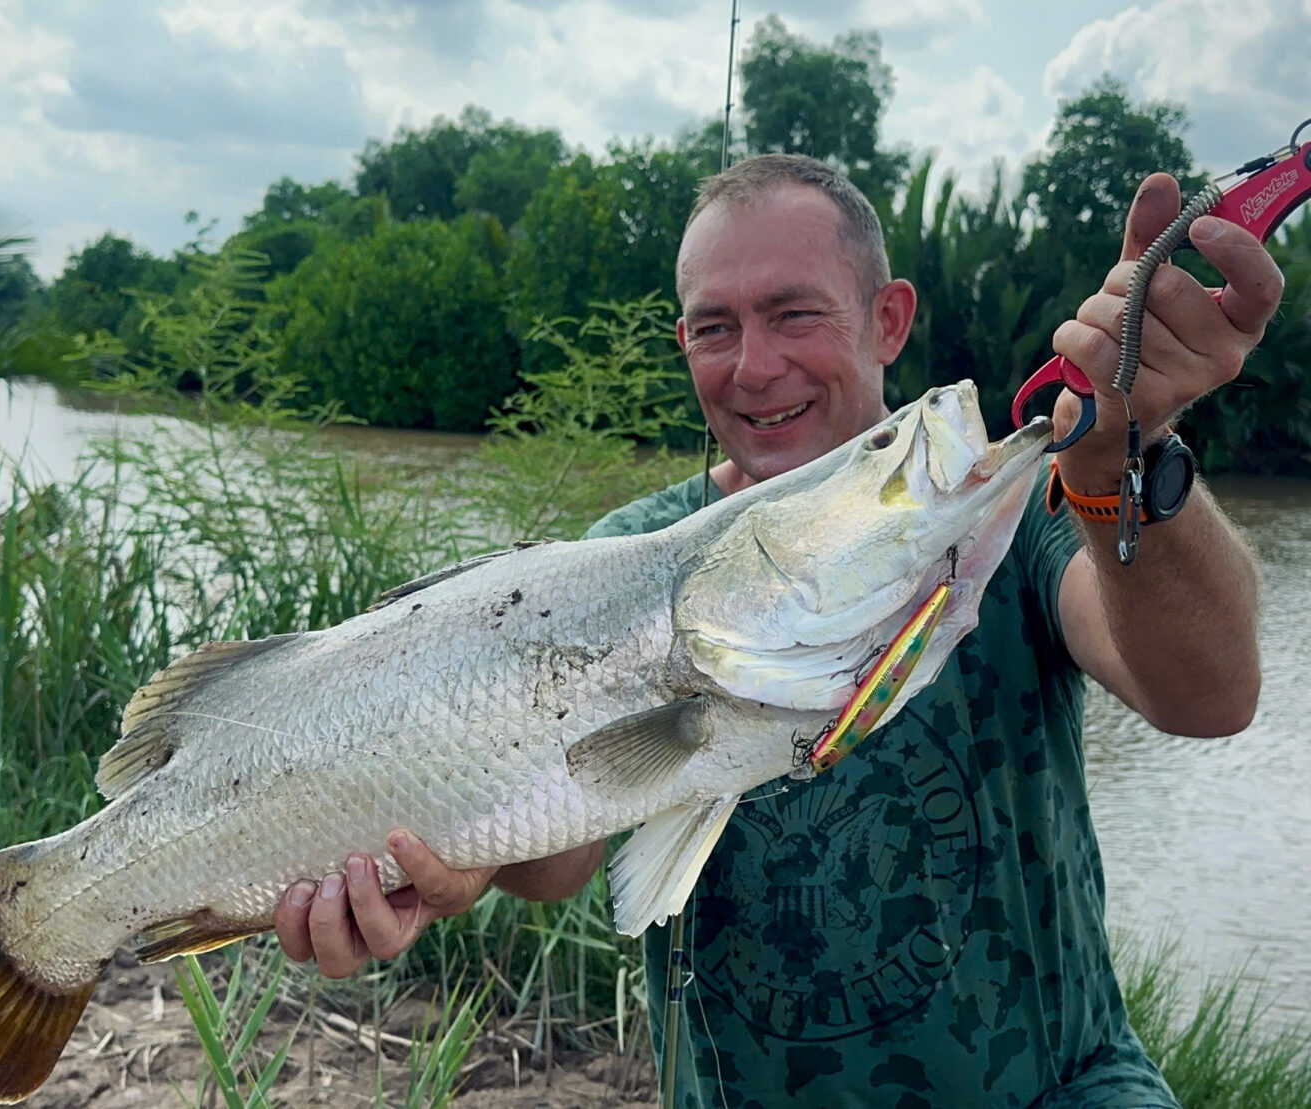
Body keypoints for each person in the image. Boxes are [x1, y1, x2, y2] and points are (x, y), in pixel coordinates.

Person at [273, 154, 1282, 1107]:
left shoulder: (1009, 503)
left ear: (888, 320)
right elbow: (558, 863)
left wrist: (1130, 453)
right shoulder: (628, 553)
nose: (754, 366)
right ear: (685, 345)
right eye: (714, 327)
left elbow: (1207, 695)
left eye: (794, 313)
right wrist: (451, 858)